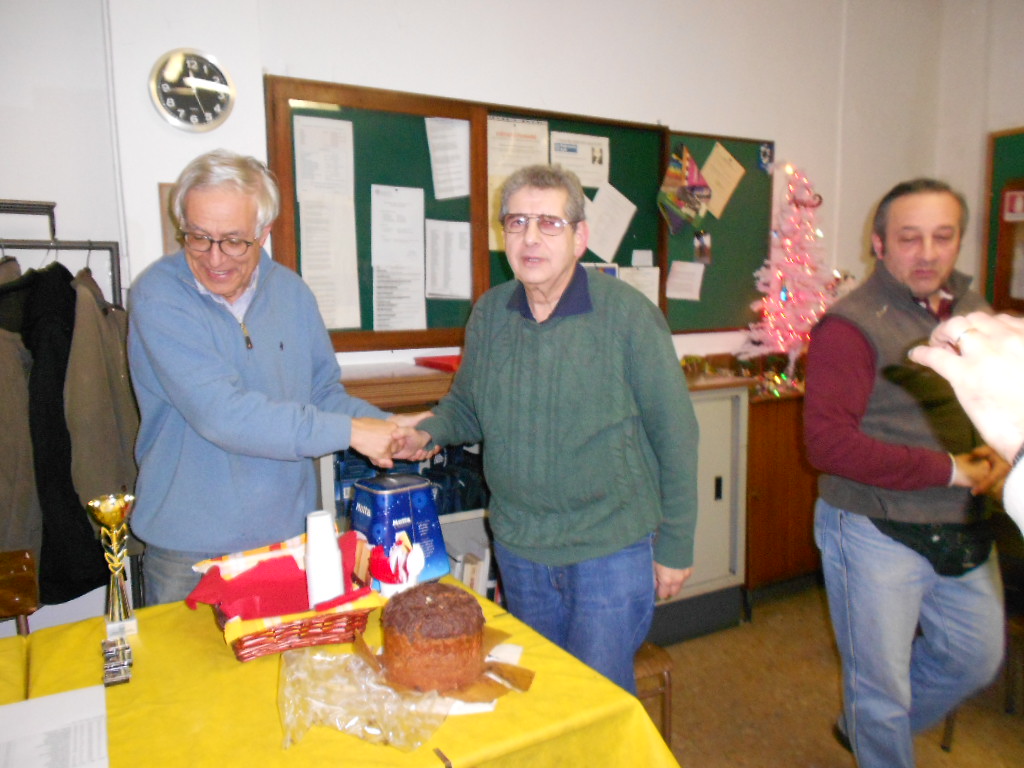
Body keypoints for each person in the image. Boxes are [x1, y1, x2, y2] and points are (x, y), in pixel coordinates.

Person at [405, 164, 699, 693]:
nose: (531, 238)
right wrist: (425, 432)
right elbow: (468, 408)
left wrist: (676, 544)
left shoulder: (629, 317)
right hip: (522, 547)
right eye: (516, 222)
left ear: (580, 237)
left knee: (595, 698)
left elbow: (676, 433)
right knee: (539, 694)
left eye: (549, 223)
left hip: (608, 548)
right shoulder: (491, 314)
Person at [128, 149, 428, 605]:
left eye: (233, 240)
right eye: (198, 237)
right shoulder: (158, 295)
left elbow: (322, 393)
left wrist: (391, 428)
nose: (214, 257)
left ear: (263, 232)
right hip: (190, 555)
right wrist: (353, 432)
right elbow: (222, 415)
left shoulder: (292, 293)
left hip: (289, 545)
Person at [803, 177, 1008, 767]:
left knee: (974, 657)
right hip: (872, 526)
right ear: (880, 243)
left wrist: (996, 456)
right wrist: (953, 469)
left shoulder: (971, 310)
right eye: (910, 238)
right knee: (880, 686)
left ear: (959, 241)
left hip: (960, 520)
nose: (927, 252)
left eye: (942, 237)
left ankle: (867, 726)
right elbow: (827, 445)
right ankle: (876, 731)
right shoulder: (850, 325)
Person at [910, 311, 1024, 531]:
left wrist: (1016, 456)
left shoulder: (977, 312)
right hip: (891, 514)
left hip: (972, 518)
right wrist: (951, 469)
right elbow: (832, 441)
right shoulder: (849, 324)